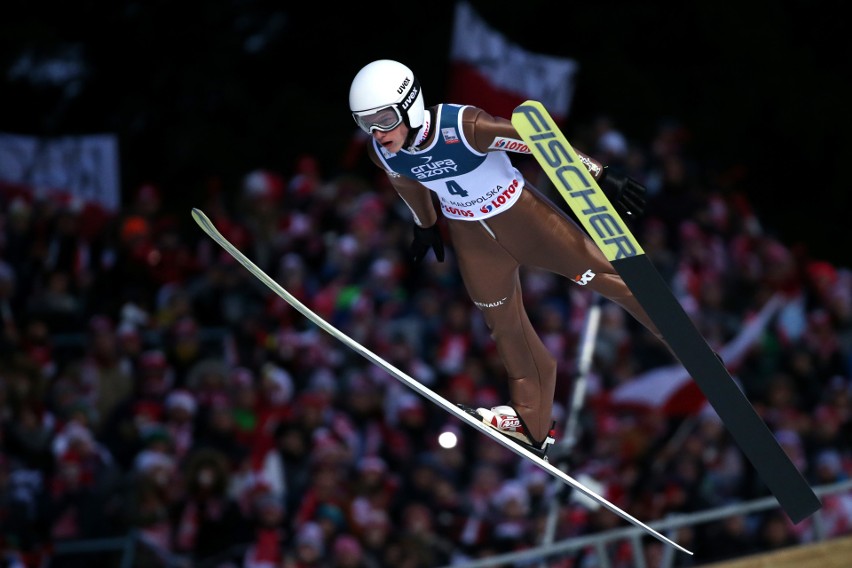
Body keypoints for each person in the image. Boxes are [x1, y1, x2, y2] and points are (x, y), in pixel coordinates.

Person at [348, 59, 666, 457]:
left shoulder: (462, 128)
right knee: (504, 326)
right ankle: (531, 423)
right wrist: (425, 224)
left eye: (382, 118)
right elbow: (407, 183)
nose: (377, 132)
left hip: (523, 219)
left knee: (604, 277)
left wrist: (598, 173)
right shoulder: (384, 153)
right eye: (365, 123)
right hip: (473, 239)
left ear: (410, 104)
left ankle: (679, 337)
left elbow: (533, 140)